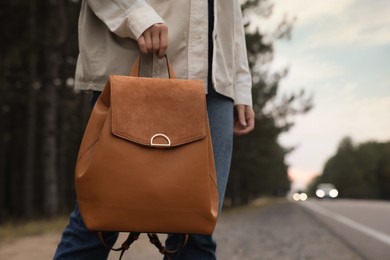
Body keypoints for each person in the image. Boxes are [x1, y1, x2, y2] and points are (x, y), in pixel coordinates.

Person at [54, 0, 254, 259]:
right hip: (134, 71)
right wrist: (135, 14)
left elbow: (232, 14)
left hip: (215, 83)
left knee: (198, 230)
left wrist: (240, 85)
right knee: (99, 220)